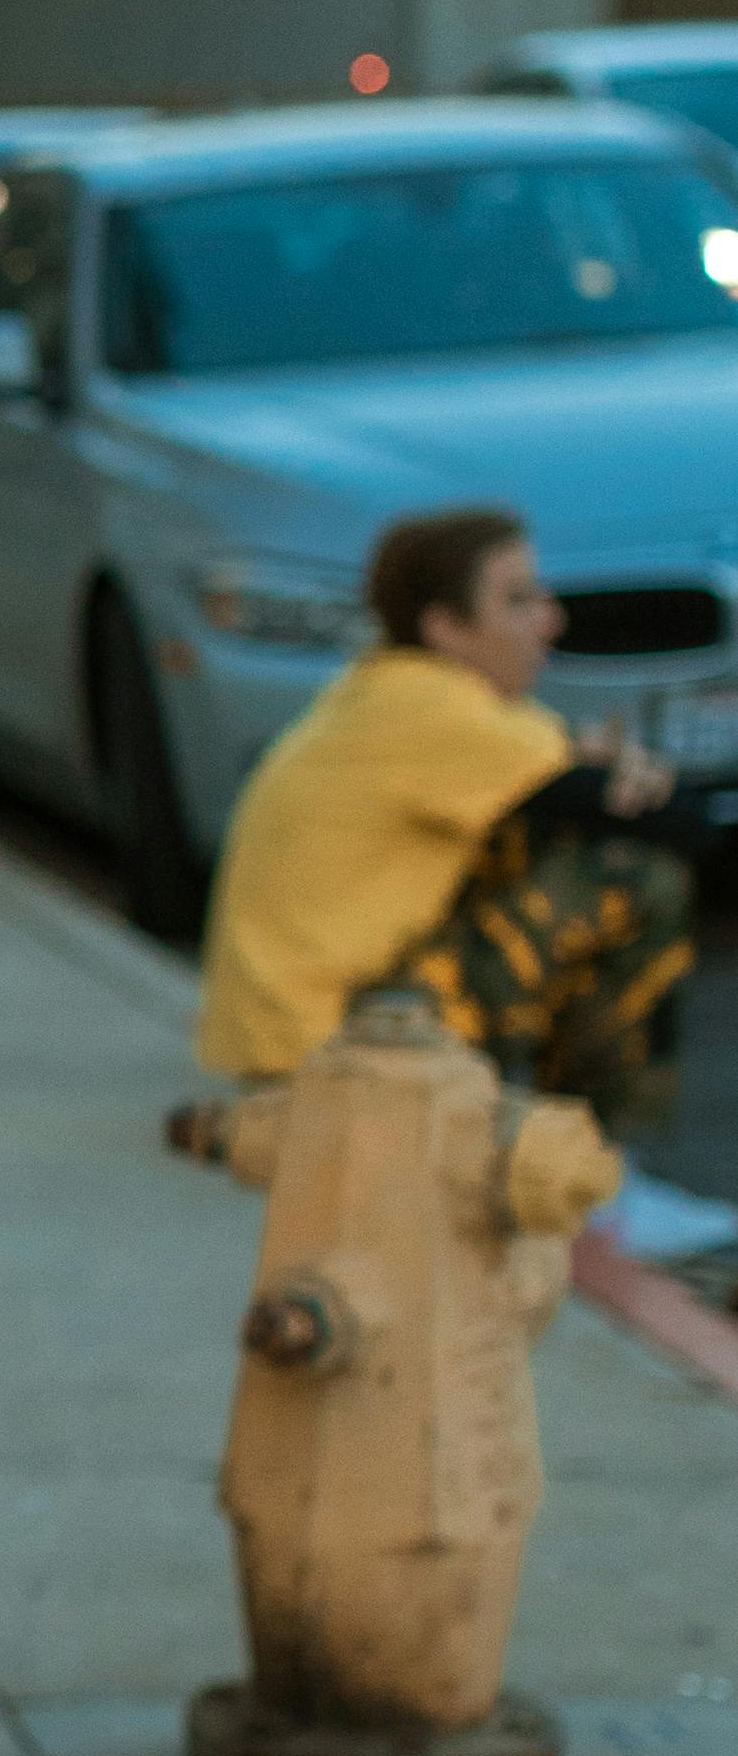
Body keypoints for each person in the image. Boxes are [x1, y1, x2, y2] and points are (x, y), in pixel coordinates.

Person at [192, 506, 713, 1238]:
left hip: (293, 1036)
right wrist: (624, 784)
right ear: (444, 627)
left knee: (533, 840)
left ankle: (553, 1148)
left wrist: (608, 783)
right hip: (339, 1044)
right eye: (518, 600)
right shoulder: (431, 707)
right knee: (633, 876)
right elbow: (677, 826)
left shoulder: (383, 690)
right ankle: (594, 1184)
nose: (550, 621)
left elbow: (575, 785)